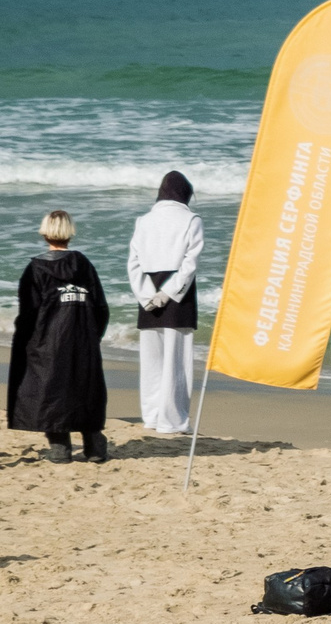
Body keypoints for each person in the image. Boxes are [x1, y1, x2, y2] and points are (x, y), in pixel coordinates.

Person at [9, 210, 112, 464]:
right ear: (70, 232)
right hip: (83, 337)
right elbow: (100, 306)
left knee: (50, 388)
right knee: (84, 387)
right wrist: (92, 336)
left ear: (44, 232)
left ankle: (60, 446)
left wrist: (25, 343)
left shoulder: (36, 269)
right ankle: (94, 443)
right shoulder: (84, 265)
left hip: (49, 341)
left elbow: (29, 312)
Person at [126, 171, 204, 434]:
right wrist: (169, 293)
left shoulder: (143, 220)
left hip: (148, 292)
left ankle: (151, 417)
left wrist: (148, 295)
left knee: (151, 362)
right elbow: (189, 265)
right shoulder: (191, 219)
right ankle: (174, 421)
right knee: (177, 363)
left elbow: (133, 264)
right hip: (178, 296)